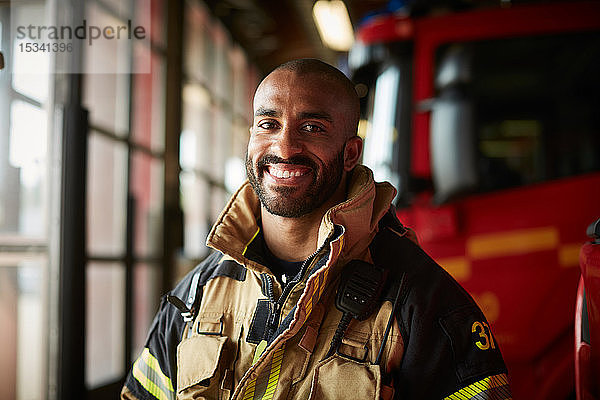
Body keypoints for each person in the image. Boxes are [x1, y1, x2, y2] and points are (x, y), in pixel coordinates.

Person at [121, 59, 510, 400]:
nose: (285, 146)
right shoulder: (198, 293)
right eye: (268, 124)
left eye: (312, 127)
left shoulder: (421, 301)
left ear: (350, 154)